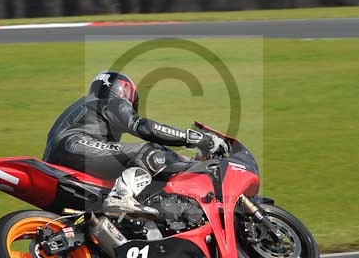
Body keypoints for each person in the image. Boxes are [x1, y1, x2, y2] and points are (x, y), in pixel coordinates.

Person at [42, 70, 227, 220]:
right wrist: (195, 139)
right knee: (153, 153)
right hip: (76, 147)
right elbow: (143, 127)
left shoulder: (84, 105)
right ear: (124, 90)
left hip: (59, 160)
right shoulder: (111, 102)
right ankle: (120, 196)